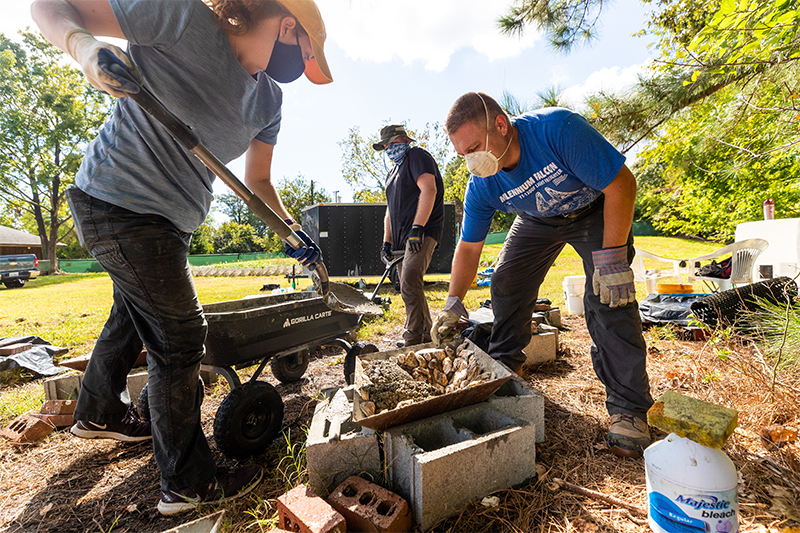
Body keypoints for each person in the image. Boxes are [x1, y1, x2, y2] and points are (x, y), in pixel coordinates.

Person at [31, 0, 330, 515]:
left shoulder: (269, 101)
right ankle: (189, 483)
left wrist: (291, 232)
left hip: (170, 222)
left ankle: (98, 410)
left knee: (135, 309)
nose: (303, 67)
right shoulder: (183, 18)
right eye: (306, 50)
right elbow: (49, 7)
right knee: (181, 336)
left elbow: (257, 182)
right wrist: (83, 47)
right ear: (287, 26)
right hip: (116, 200)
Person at [431, 92, 653, 458]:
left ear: (500, 125)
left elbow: (621, 184)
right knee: (506, 280)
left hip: (595, 207)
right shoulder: (483, 184)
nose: (471, 161)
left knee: (607, 297)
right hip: (536, 220)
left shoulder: (557, 129)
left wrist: (612, 259)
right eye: (462, 155)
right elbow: (469, 247)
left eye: (474, 147)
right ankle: (504, 371)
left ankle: (629, 410)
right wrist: (454, 303)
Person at [373, 125, 445, 347]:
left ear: (404, 139)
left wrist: (417, 228)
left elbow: (429, 190)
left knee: (409, 282)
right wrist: (387, 242)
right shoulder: (392, 173)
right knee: (410, 286)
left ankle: (412, 336)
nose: (389, 149)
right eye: (386, 146)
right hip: (400, 240)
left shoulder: (417, 156)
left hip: (421, 232)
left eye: (393, 143)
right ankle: (427, 334)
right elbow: (390, 211)